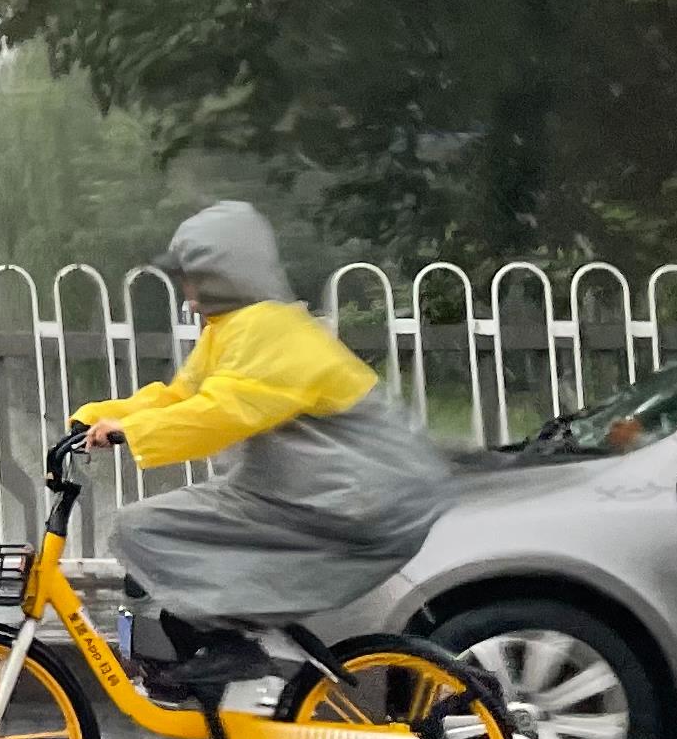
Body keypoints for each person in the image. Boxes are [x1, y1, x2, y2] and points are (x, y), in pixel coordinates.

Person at [69, 202, 450, 705]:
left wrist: (131, 432)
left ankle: (230, 645)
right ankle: (231, 697)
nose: (187, 301)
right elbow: (181, 397)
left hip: (356, 497)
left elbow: (227, 410)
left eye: (191, 282)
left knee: (142, 528)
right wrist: (98, 415)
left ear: (222, 275)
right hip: (310, 492)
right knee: (164, 545)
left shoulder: (272, 332)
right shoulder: (234, 330)